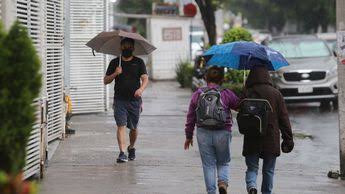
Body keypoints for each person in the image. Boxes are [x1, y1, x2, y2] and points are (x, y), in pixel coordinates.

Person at [184, 66, 240, 194]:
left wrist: (188, 136)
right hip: (223, 131)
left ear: (206, 78)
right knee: (223, 162)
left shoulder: (198, 94)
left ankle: (211, 191)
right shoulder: (226, 93)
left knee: (208, 165)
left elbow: (191, 116)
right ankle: (222, 183)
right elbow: (238, 106)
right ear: (222, 79)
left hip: (203, 132)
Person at [241, 66, 294, 194]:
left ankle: (252, 187)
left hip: (251, 136)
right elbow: (284, 119)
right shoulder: (276, 94)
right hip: (270, 137)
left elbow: (240, 113)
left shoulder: (247, 92)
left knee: (252, 168)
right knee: (268, 170)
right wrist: (288, 140)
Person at [103, 38, 149, 163]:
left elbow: (145, 78)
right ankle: (122, 152)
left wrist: (141, 89)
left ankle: (131, 147)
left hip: (135, 101)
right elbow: (105, 80)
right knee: (121, 125)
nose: (126, 48)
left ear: (133, 48)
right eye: (124, 46)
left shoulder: (139, 62)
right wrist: (115, 74)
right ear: (120, 48)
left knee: (133, 128)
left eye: (129, 46)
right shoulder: (115, 63)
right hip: (120, 100)